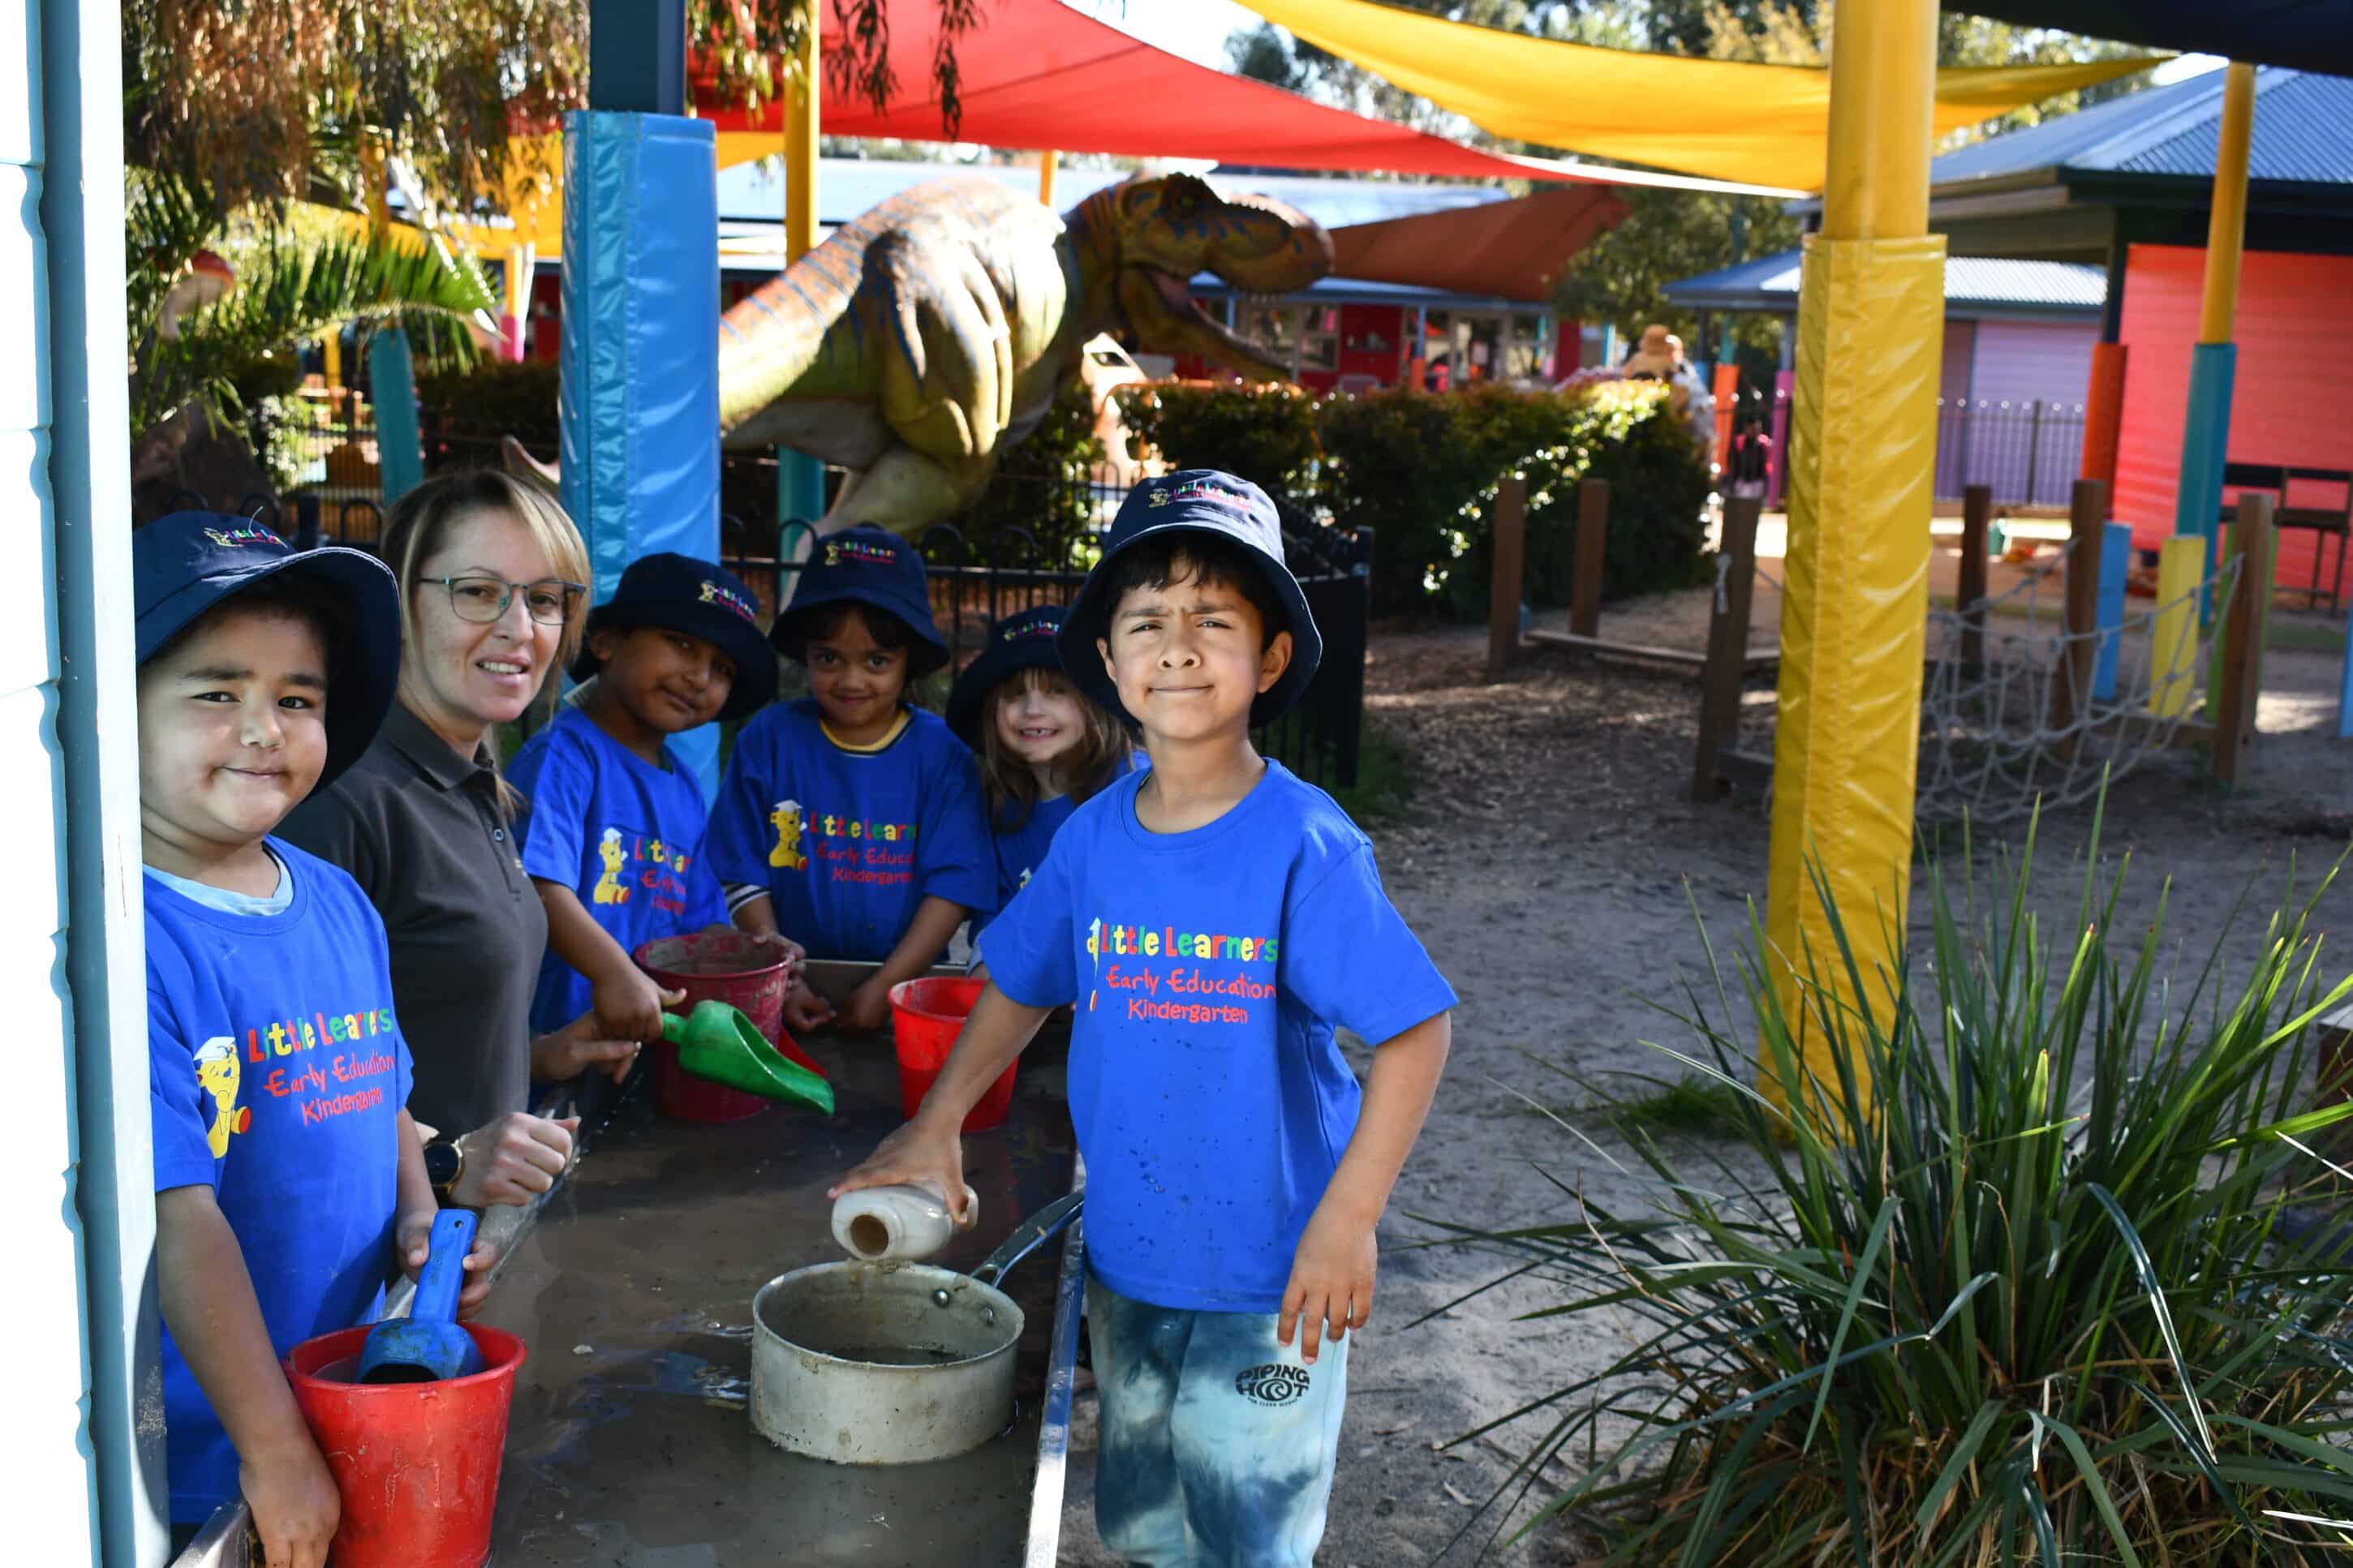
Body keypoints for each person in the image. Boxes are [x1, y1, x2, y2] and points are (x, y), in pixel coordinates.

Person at [832, 472, 1456, 1566]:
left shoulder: (1305, 847)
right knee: (1147, 1524)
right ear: (1111, 666)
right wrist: (935, 1125)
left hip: (1274, 1279)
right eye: (1148, 623)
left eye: (1213, 621)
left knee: (1246, 1527)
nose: (1177, 646)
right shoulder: (1090, 840)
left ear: (1266, 662)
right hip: (1128, 1259)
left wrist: (1349, 1218)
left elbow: (1414, 1033)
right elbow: (1021, 985)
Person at [136, 513, 496, 1565]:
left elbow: (383, 1091)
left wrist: (423, 1209)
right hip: (225, 1449)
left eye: (297, 699)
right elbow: (179, 1215)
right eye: (217, 692)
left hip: (357, 1385)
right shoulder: (134, 941)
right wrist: (273, 1446)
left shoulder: (338, 900)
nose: (264, 728)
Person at [280, 470, 638, 1212]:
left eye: (543, 599)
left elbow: (420, 1024)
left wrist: (538, 1055)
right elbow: (289, 1082)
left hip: (466, 1255)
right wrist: (445, 1160)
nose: (519, 628)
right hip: (373, 1275)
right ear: (403, 603)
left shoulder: (483, 779)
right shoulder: (345, 798)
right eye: (478, 592)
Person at [705, 523, 996, 1033]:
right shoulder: (769, 739)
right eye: (829, 658)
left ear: (911, 663)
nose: (852, 680)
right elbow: (740, 866)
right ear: (806, 656)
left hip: (906, 988)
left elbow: (954, 886)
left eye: (877, 661)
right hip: (781, 982)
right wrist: (785, 979)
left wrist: (887, 987)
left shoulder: (943, 755)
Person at [507, 552, 788, 1041]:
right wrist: (614, 973)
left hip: (643, 1042)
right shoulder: (566, 757)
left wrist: (754, 953)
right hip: (555, 1038)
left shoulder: (684, 787)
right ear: (607, 641)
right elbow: (538, 886)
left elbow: (697, 925)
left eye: (722, 668)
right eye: (681, 644)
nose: (700, 678)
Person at [943, 604, 1134, 941]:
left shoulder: (1136, 791)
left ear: (1095, 701)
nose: (1033, 710)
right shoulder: (998, 807)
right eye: (1015, 695)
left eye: (1056, 692)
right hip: (1027, 988)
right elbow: (996, 921)